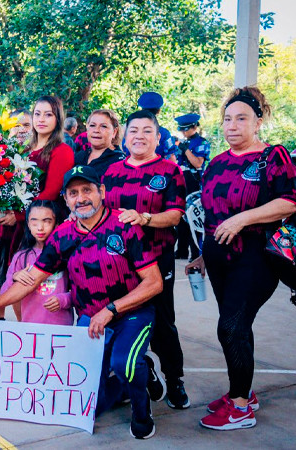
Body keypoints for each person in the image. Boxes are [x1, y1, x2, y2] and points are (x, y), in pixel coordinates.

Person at [0, 165, 163, 440]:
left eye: (87, 190)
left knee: (124, 363)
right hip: (89, 318)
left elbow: (154, 283)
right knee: (87, 406)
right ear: (66, 200)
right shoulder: (63, 235)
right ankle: (132, 378)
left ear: (101, 192)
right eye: (73, 193)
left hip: (131, 313)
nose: (81, 198)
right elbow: (31, 279)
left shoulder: (124, 225)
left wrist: (111, 309)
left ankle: (142, 412)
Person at [186, 86, 296, 431]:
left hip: (255, 258)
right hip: (219, 260)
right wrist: (201, 256)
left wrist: (242, 219)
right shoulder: (218, 163)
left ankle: (239, 409)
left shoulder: (272, 157)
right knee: (237, 328)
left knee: (231, 326)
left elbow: (291, 201)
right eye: (227, 119)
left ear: (258, 121)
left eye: (242, 119)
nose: (232, 126)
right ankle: (243, 392)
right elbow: (211, 215)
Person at [102, 110, 189, 410]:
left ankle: (175, 379)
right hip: (118, 263)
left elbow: (175, 215)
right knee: (119, 318)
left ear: (157, 137)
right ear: (124, 137)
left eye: (146, 131)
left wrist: (145, 219)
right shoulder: (111, 173)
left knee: (163, 323)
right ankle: (145, 371)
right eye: (133, 130)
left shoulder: (169, 170)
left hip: (156, 259)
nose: (139, 136)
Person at [0, 200, 73, 325]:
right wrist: (14, 278)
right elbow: (4, 294)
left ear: (56, 224)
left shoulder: (66, 253)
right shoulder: (20, 257)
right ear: (27, 224)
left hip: (61, 331)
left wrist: (64, 300)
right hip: (31, 329)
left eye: (46, 221)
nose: (40, 227)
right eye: (34, 222)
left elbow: (80, 293)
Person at [0, 108, 32, 321]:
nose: (22, 129)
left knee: (24, 276)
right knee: (0, 276)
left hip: (29, 228)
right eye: (17, 125)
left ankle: (25, 322)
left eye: (26, 125)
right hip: (3, 229)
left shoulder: (36, 155)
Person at [27, 95, 75, 221]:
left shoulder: (62, 151)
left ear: (57, 119)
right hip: (12, 221)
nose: (41, 119)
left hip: (43, 219)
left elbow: (50, 194)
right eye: (37, 114)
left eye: (48, 115)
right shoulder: (24, 149)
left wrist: (18, 215)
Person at [173, 113, 211, 260]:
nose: (183, 132)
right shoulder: (183, 142)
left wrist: (186, 150)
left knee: (194, 218)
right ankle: (182, 250)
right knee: (180, 218)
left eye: (186, 129)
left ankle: (196, 252)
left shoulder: (201, 142)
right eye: (181, 129)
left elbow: (198, 163)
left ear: (195, 127)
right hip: (181, 182)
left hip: (194, 184)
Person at [124, 92, 178, 161]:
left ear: (142, 109)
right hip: (157, 170)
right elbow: (171, 157)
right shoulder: (164, 133)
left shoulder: (130, 132)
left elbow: (124, 151)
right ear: (158, 111)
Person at [73, 109, 125, 177]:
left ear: (114, 132)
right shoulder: (79, 156)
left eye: (103, 126)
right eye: (92, 125)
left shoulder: (120, 162)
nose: (96, 130)